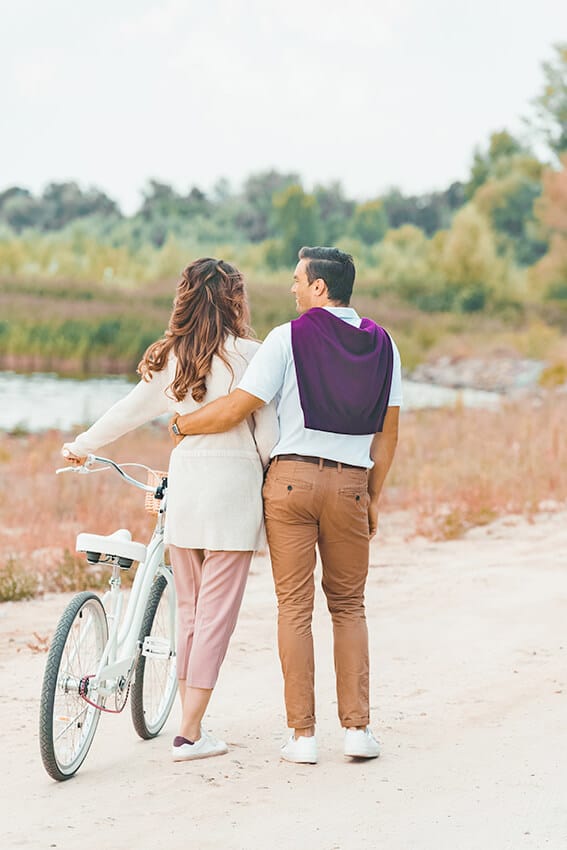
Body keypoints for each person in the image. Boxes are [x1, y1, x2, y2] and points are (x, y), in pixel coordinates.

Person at [169, 246, 402, 764]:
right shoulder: (384, 344)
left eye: (298, 279)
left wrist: (184, 425)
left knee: (294, 609)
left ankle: (301, 737)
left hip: (290, 485)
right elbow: (388, 435)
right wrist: (373, 499)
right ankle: (358, 730)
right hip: (350, 485)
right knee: (348, 607)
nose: (292, 287)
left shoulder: (286, 338)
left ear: (320, 287)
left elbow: (238, 406)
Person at [61, 258, 278, 762]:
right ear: (235, 301)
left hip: (186, 488)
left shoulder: (172, 357)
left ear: (184, 299)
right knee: (215, 618)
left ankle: (191, 725)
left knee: (189, 612)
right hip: (234, 494)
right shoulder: (254, 355)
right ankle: (190, 732)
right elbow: (267, 435)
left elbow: (127, 412)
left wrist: (82, 443)